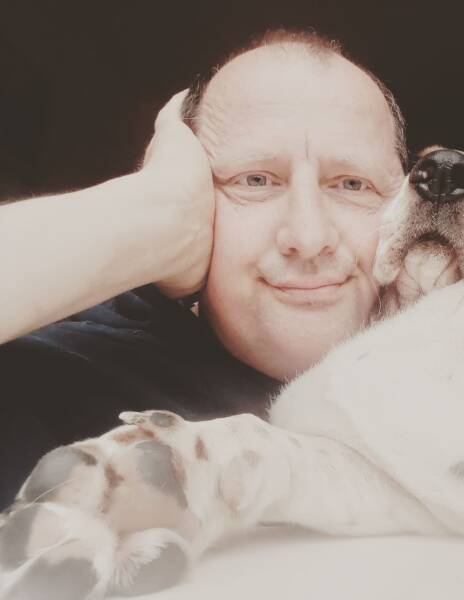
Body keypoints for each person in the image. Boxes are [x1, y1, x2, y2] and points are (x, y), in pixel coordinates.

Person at [0, 29, 406, 508]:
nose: (309, 237)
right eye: (255, 180)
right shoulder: (53, 378)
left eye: (353, 185)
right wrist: (157, 215)